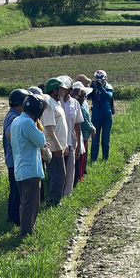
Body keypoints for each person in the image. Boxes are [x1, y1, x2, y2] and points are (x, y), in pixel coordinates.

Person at [10, 94, 48, 236]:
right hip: (30, 169)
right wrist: (38, 128)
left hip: (20, 168)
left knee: (25, 203)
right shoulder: (28, 123)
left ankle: (26, 230)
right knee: (31, 204)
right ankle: (26, 233)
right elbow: (40, 140)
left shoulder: (16, 121)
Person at [3, 88, 31, 226]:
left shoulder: (13, 114)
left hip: (14, 159)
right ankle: (13, 219)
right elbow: (9, 133)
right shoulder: (14, 117)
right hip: (14, 159)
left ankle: (14, 218)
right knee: (15, 191)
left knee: (16, 190)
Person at [42, 77, 69, 207]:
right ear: (54, 90)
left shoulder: (56, 104)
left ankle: (54, 200)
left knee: (59, 174)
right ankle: (53, 201)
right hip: (53, 147)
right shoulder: (49, 106)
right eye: (61, 89)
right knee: (58, 175)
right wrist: (58, 145)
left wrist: (64, 145)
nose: (63, 92)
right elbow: (49, 127)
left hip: (59, 145)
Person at [58, 75, 82, 196]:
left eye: (65, 88)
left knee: (70, 169)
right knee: (59, 171)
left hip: (70, 141)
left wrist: (78, 145)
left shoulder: (75, 103)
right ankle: (57, 193)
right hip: (58, 142)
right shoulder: (56, 103)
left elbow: (77, 125)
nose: (63, 91)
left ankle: (67, 194)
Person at [71, 80, 94, 186]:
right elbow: (84, 121)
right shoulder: (79, 106)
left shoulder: (80, 105)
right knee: (81, 156)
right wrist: (91, 128)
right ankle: (79, 176)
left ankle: (80, 175)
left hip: (83, 134)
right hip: (83, 134)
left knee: (82, 156)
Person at [90, 69, 114, 161]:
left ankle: (105, 158)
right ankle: (93, 159)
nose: (99, 81)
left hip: (106, 115)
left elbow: (108, 96)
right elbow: (87, 96)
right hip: (96, 115)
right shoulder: (93, 87)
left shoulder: (108, 87)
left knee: (105, 139)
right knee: (95, 140)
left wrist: (101, 88)